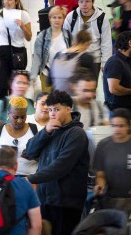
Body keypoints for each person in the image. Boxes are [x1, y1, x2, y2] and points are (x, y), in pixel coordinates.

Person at [25, 90, 89, 235]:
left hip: (66, 203)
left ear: (69, 109)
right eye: (51, 109)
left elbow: (61, 167)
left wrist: (31, 178)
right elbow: (30, 151)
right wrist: (44, 132)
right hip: (45, 199)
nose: (52, 113)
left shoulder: (76, 134)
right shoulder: (50, 130)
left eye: (57, 109)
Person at [93, 108, 131, 215]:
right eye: (114, 125)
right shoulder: (103, 145)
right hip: (110, 201)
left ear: (129, 127)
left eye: (121, 126)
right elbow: (100, 174)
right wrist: (100, 186)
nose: (117, 129)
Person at [63, 0, 112, 78]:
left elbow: (106, 42)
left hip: (94, 60)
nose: (84, 4)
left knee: (91, 87)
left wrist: (106, 63)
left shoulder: (102, 18)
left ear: (93, 2)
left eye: (87, 1)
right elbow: (65, 39)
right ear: (78, 2)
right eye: (81, 1)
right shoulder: (71, 17)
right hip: (75, 58)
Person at [0, 0, 32, 98]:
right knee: (2, 85)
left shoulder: (23, 14)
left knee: (15, 86)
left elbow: (29, 37)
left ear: (16, 1)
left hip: (18, 52)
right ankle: (1, 109)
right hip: (2, 50)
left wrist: (22, 26)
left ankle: (16, 108)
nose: (6, 2)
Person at [0, 97, 39, 176]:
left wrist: (33, 156)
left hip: (31, 178)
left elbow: (45, 157)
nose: (20, 121)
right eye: (16, 117)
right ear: (8, 114)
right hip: (4, 179)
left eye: (23, 117)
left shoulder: (35, 130)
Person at [0, 70, 35, 142]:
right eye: (18, 83)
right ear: (11, 84)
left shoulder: (31, 103)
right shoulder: (2, 103)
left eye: (25, 83)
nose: (21, 86)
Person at [30, 6, 71, 91]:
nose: (57, 20)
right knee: (48, 101)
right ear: (50, 19)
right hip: (46, 74)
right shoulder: (42, 36)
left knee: (62, 102)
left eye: (60, 17)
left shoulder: (68, 35)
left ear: (63, 19)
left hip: (63, 76)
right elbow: (37, 57)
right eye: (54, 17)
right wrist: (33, 76)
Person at [49, 30, 95, 95]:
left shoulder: (58, 55)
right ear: (87, 43)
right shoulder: (87, 58)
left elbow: (49, 81)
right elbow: (92, 82)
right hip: (75, 100)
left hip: (57, 98)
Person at [103, 31, 131, 117]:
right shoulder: (115, 62)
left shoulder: (125, 61)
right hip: (117, 113)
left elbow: (124, 81)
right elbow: (114, 89)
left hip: (125, 110)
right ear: (130, 43)